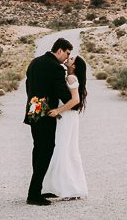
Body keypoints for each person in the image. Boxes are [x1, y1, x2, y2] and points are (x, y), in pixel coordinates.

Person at [24, 38, 73, 206]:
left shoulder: (34, 62)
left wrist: (34, 103)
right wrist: (74, 98)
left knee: (38, 149)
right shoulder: (56, 68)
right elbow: (63, 94)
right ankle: (33, 194)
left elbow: (28, 86)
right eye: (67, 53)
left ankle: (37, 189)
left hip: (33, 109)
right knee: (46, 149)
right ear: (59, 50)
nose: (67, 58)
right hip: (46, 112)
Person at [42, 55, 88, 200]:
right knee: (69, 150)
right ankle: (70, 187)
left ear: (74, 66)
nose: (69, 58)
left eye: (72, 59)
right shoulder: (71, 76)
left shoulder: (71, 78)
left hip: (67, 117)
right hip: (70, 117)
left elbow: (75, 100)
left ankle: (67, 189)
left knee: (63, 149)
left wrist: (58, 111)